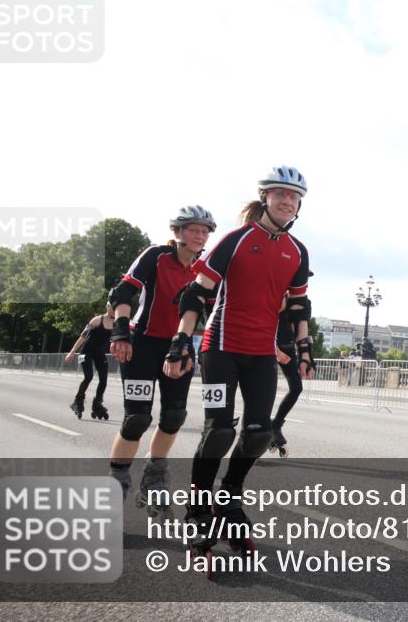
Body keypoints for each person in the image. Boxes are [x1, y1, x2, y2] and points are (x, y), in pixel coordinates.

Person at [165, 166, 314, 569]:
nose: (287, 201)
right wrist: (181, 340)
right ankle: (198, 511)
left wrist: (304, 347)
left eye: (294, 196)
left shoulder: (297, 251)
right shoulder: (235, 240)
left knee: (259, 433)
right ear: (265, 197)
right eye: (280, 193)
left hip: (261, 353)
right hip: (221, 348)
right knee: (219, 432)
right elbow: (197, 295)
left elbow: (298, 305)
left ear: (299, 204)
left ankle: (229, 498)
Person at [106, 206, 216, 518]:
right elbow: (124, 291)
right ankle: (117, 481)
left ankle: (154, 477)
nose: (200, 236)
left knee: (174, 415)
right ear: (177, 232)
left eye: (204, 231)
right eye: (193, 229)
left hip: (178, 349)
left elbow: (214, 310)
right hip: (141, 344)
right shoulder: (156, 256)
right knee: (137, 419)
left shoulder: (206, 268)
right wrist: (120, 332)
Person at [268, 270, 314, 457]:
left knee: (296, 388)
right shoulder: (273, 294)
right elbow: (264, 323)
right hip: (265, 346)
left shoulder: (304, 302)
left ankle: (275, 426)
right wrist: (274, 350)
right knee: (265, 392)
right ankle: (253, 435)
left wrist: (306, 357)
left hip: (287, 347)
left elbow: (302, 330)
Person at [65, 304, 114, 420]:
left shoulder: (117, 323)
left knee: (104, 379)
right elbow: (83, 337)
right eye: (113, 307)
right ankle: (77, 401)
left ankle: (97, 404)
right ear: (107, 307)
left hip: (99, 353)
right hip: (85, 353)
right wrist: (72, 352)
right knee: (89, 376)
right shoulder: (97, 320)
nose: (114, 310)